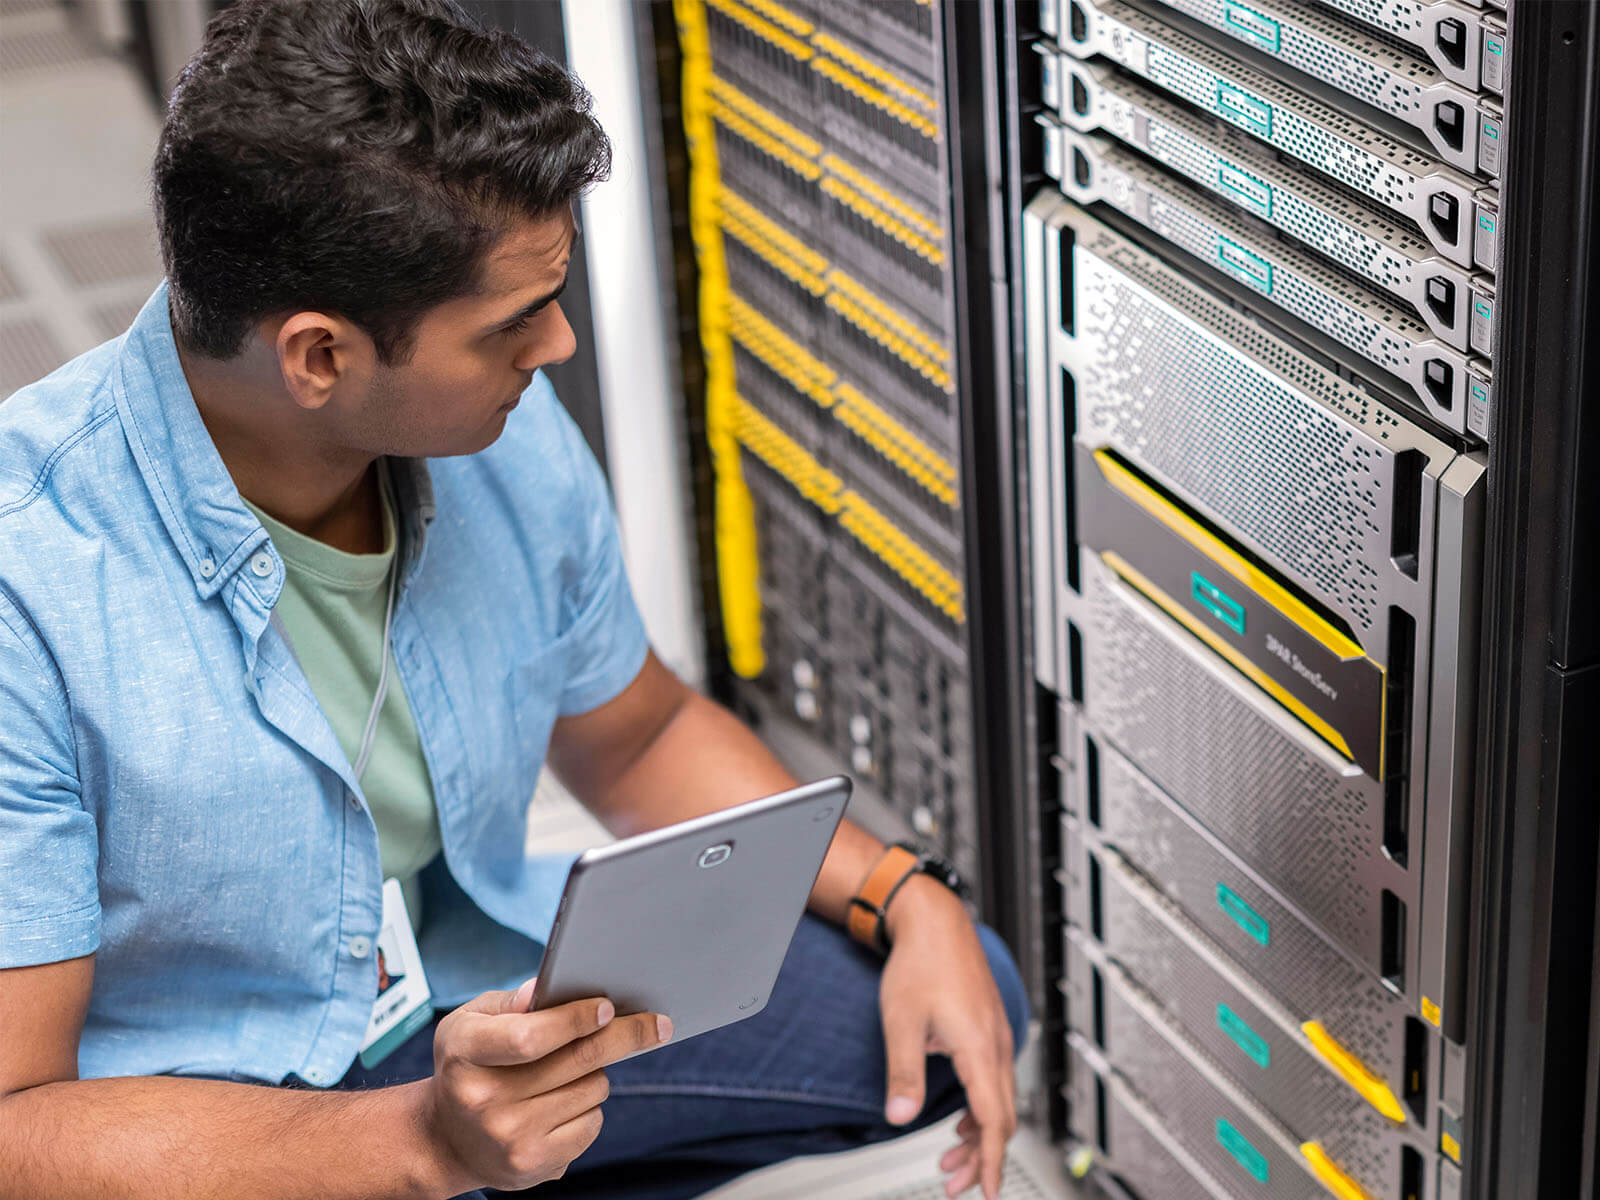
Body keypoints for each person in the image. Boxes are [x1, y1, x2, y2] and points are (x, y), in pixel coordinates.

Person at [0, 2, 1028, 1198]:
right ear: (320, 358)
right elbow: (18, 1128)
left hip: (446, 1001)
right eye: (510, 325)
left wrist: (900, 893)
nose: (559, 347)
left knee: (951, 1004)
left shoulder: (501, 435)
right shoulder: (31, 587)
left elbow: (637, 736)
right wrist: (421, 1145)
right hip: (201, 1102)